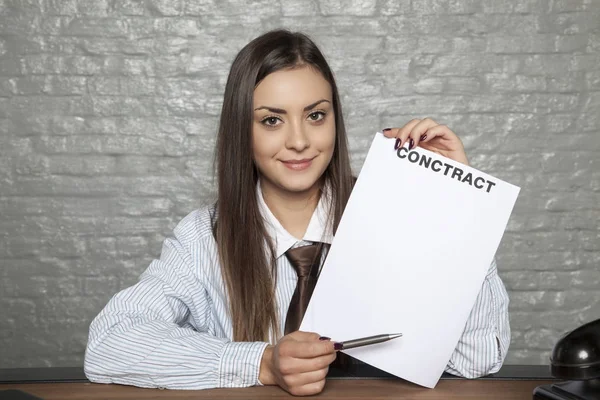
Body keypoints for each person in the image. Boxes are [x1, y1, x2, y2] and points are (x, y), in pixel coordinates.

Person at [84, 29, 510, 396]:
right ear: (242, 130)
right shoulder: (205, 237)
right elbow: (110, 344)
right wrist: (263, 363)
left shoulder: (395, 216)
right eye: (272, 120)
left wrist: (457, 205)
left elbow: (477, 359)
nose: (300, 141)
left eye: (315, 115)